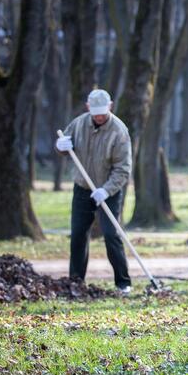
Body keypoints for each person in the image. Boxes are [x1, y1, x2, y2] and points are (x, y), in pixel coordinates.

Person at [55, 89, 133, 295]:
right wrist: (61, 146)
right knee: (79, 234)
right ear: (88, 108)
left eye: (102, 112)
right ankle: (75, 281)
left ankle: (123, 282)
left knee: (110, 233)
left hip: (109, 190)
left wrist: (106, 190)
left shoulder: (119, 131)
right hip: (82, 188)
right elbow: (65, 147)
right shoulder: (79, 124)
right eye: (95, 112)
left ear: (110, 107)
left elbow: (123, 168)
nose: (99, 117)